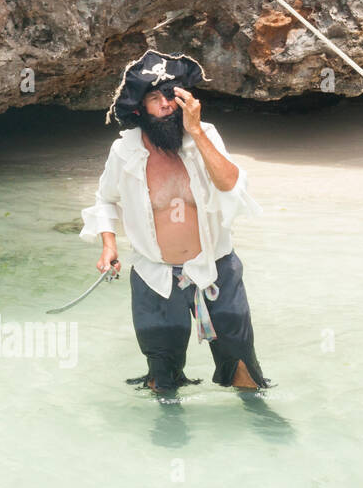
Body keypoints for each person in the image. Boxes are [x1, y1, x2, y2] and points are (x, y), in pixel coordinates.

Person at [79, 49, 271, 396]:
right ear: (140, 109)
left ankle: (259, 430)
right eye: (155, 98)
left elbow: (231, 184)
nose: (166, 104)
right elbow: (105, 199)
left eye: (171, 94)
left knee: (243, 367)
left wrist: (196, 132)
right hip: (155, 274)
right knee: (162, 374)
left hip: (216, 268)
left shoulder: (205, 136)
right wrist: (109, 245)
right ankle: (167, 437)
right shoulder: (125, 151)